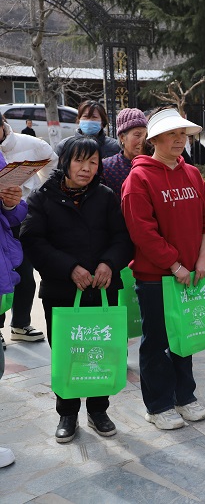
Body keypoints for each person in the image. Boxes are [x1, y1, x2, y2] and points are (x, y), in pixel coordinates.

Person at [20, 135, 133, 443]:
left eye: (93, 162)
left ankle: (99, 411)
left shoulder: (106, 196)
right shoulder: (43, 197)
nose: (86, 168)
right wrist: (69, 268)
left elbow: (123, 238)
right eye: (80, 161)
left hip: (102, 288)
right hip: (62, 293)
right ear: (66, 162)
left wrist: (109, 264)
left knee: (103, 352)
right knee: (68, 354)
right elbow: (33, 241)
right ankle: (67, 413)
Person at [121, 107, 205, 430]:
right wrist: (174, 265)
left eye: (182, 135)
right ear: (155, 138)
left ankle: (184, 396)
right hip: (156, 277)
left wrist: (202, 258)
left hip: (191, 274)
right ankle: (158, 404)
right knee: (157, 341)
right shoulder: (139, 178)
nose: (179, 140)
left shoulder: (190, 174)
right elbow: (143, 233)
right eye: (172, 134)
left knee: (184, 337)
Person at [0, 118, 57, 348]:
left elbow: (53, 166)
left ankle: (21, 323)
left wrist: (33, 194)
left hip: (17, 217)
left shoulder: (31, 144)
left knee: (24, 272)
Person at [102, 108, 150, 200]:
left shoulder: (155, 164)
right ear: (122, 137)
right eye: (137, 135)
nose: (143, 141)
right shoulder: (107, 168)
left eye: (146, 136)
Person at [56, 100, 121, 159]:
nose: (89, 121)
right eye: (85, 117)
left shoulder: (115, 147)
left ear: (102, 122)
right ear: (79, 120)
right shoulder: (64, 146)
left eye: (94, 117)